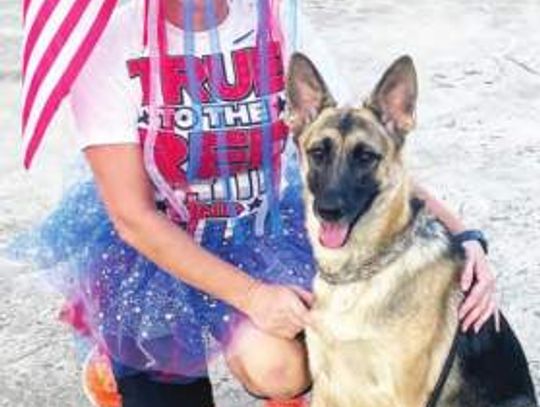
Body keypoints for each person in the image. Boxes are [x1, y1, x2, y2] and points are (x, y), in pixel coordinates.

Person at [10, 1, 497, 406]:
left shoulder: (275, 16)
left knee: (283, 368)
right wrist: (254, 298)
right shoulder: (110, 42)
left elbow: (365, 144)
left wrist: (463, 235)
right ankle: (111, 363)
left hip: (259, 233)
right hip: (159, 249)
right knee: (152, 358)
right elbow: (132, 217)